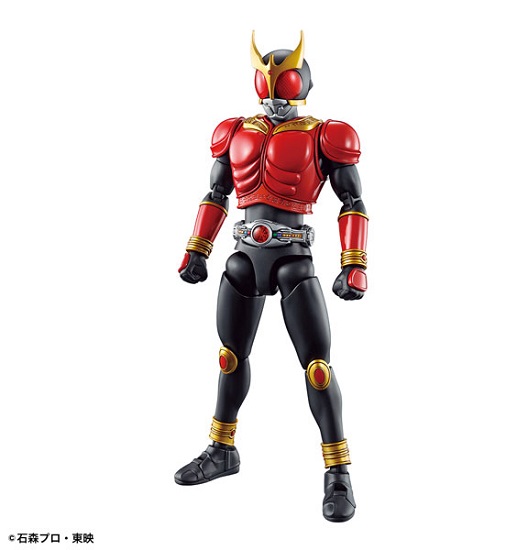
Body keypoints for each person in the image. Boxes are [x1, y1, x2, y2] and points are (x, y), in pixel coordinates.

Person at [174, 31, 368, 522]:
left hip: (293, 259)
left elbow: (352, 201)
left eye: (285, 77)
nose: (276, 86)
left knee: (318, 368)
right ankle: (222, 449)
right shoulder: (234, 130)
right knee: (229, 358)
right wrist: (196, 250)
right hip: (242, 256)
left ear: (303, 80)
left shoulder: (326, 134)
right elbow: (215, 194)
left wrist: (354, 264)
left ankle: (338, 473)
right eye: (268, 77)